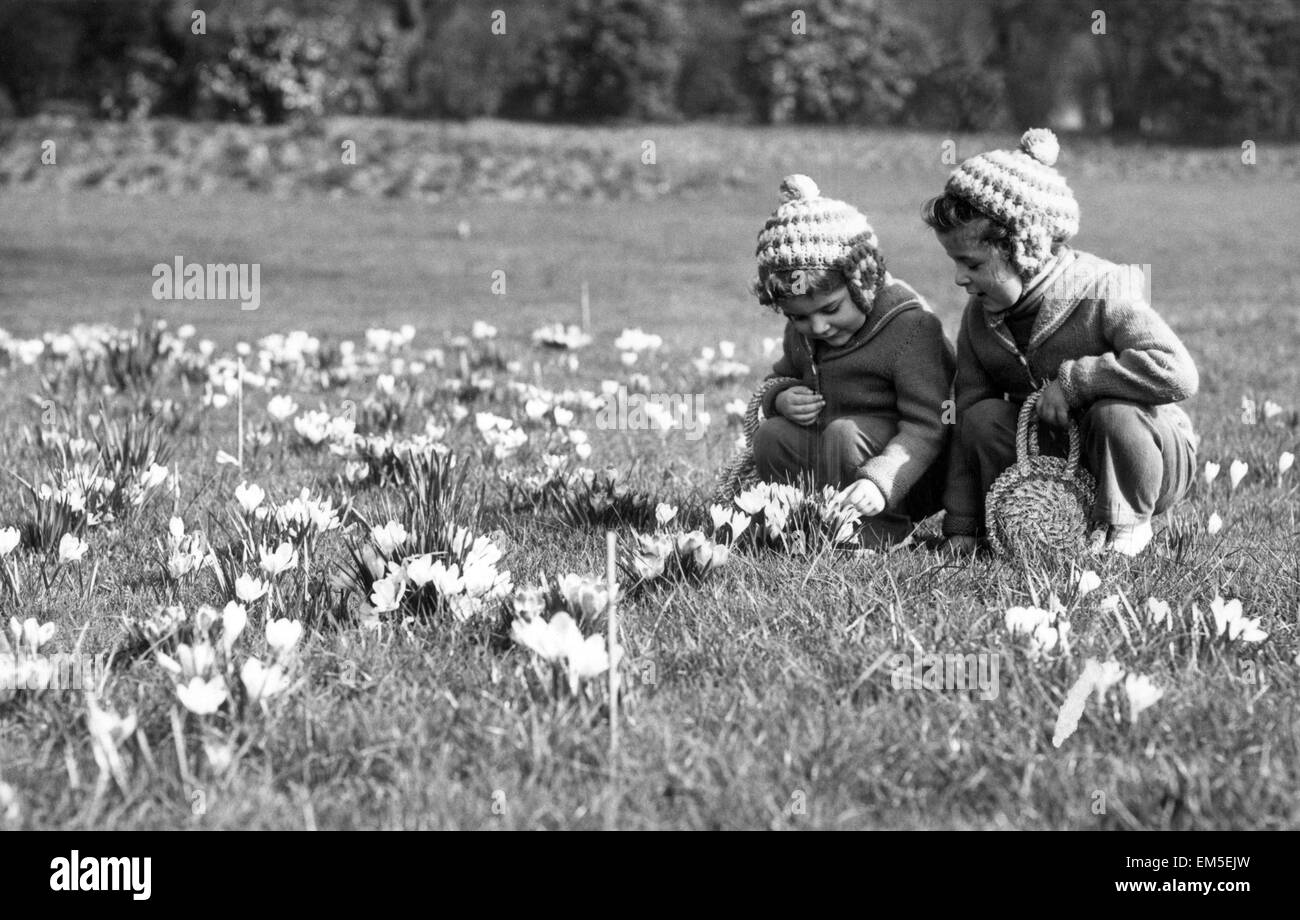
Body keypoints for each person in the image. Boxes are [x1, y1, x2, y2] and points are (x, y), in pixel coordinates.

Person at [924, 128, 1198, 557]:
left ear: (1024, 247)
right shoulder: (980, 315)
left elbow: (1177, 372)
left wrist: (1077, 384)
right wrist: (962, 525)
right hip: (1057, 458)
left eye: (971, 263)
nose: (959, 278)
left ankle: (1125, 530)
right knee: (981, 415)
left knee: (1114, 413)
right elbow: (966, 424)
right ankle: (1019, 523)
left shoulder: (1103, 287)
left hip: (1148, 456)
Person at [750, 174, 955, 547]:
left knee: (844, 434)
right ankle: (793, 521)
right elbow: (781, 376)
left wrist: (881, 479)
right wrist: (780, 397)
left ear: (864, 281)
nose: (818, 326)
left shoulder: (909, 327)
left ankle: (875, 534)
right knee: (772, 435)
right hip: (832, 459)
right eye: (798, 316)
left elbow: (932, 423)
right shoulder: (805, 331)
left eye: (831, 308)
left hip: (907, 471)